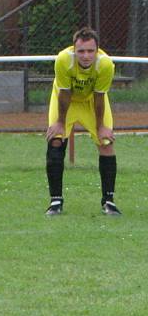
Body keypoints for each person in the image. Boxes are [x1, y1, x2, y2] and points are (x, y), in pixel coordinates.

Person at [45, 27, 120, 216]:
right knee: (56, 138)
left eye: (90, 51)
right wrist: (60, 123)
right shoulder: (63, 60)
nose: (86, 56)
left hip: (91, 102)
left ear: (97, 50)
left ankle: (108, 202)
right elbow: (64, 93)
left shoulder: (106, 65)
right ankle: (56, 201)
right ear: (74, 50)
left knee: (106, 142)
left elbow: (99, 96)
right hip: (65, 100)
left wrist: (101, 126)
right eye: (81, 51)